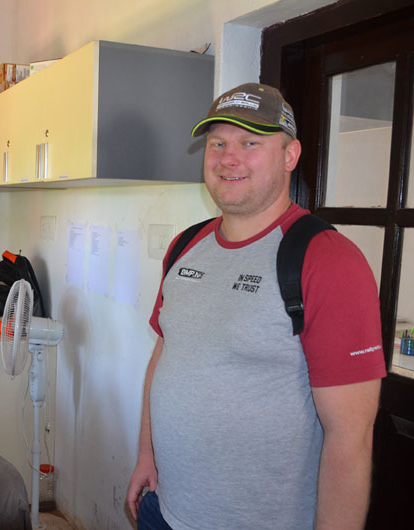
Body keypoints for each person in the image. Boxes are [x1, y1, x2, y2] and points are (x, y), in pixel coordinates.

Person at [126, 83, 387, 530]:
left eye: (250, 143)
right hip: (165, 509)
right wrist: (147, 455)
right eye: (218, 144)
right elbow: (166, 353)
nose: (228, 158)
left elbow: (350, 435)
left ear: (289, 155)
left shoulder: (328, 261)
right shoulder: (186, 245)